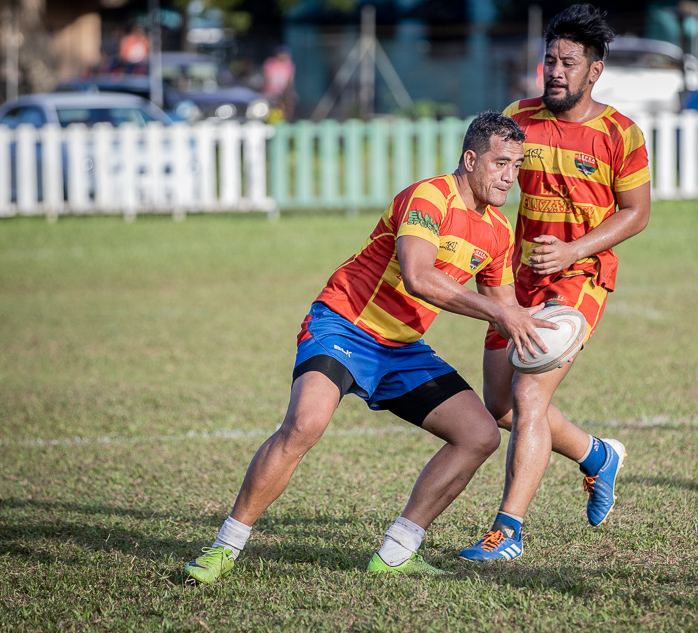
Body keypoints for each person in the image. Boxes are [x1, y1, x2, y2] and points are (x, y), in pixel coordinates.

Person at [183, 112, 554, 582]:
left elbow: (503, 315)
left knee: (479, 434)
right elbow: (419, 277)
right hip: (343, 325)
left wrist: (534, 343)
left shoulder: (499, 230)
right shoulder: (429, 197)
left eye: (517, 166)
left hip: (402, 348)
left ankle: (397, 551)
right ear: (470, 158)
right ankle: (224, 547)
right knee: (304, 424)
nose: (510, 177)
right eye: (501, 163)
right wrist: (503, 313)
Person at [458, 3, 651, 563]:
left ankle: (508, 530)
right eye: (550, 60)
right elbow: (484, 183)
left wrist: (572, 249)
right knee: (500, 407)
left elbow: (636, 213)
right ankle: (597, 456)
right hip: (515, 282)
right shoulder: (520, 117)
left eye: (569, 62)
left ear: (595, 70)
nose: (556, 71)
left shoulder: (621, 133)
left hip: (581, 279)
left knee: (529, 392)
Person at [262, 46, 296, 122]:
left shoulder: (289, 65)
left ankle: (287, 120)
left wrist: (289, 92)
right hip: (270, 90)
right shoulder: (270, 63)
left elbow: (290, 81)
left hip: (283, 91)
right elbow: (267, 79)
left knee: (290, 101)